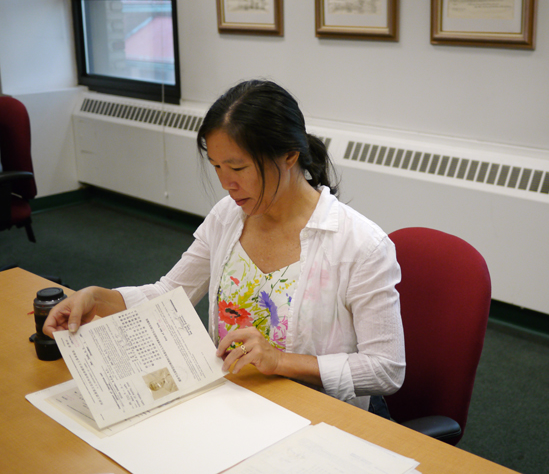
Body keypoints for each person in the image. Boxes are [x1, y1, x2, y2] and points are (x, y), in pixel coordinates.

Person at [43, 79, 405, 410]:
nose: (226, 184)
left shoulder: (361, 245)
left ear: (290, 155)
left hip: (318, 414)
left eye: (238, 167)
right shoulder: (228, 217)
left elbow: (385, 369)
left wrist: (280, 360)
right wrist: (96, 296)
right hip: (236, 402)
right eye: (217, 166)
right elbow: (169, 294)